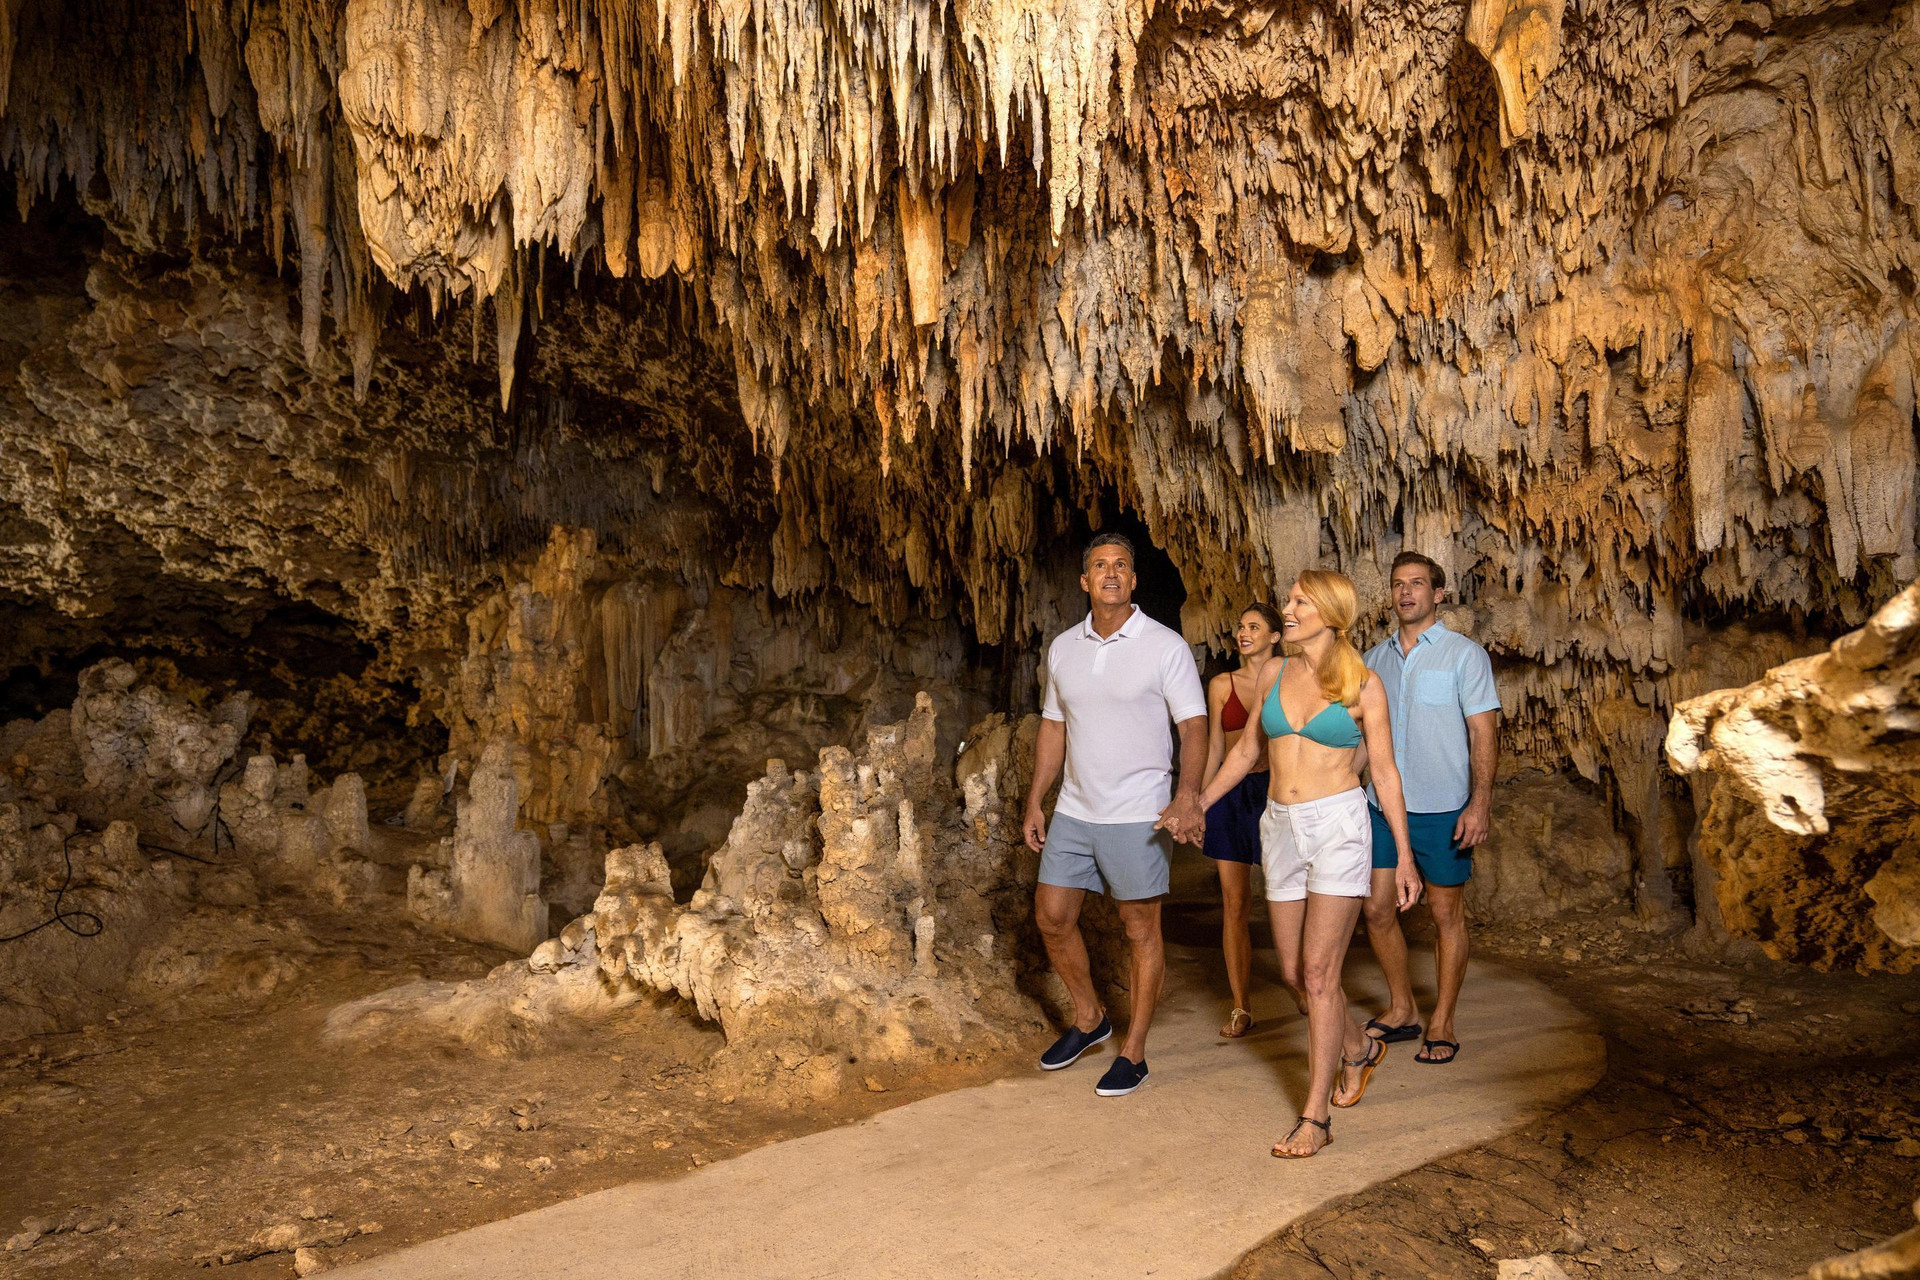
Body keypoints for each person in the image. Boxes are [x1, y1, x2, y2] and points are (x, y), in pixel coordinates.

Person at [1195, 569, 1419, 1159]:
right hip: (1279, 828)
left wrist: (1404, 857)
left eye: (1299, 602)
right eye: (1289, 600)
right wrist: (1198, 803)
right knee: (1295, 973)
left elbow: (1385, 773)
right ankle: (1359, 1048)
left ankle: (1315, 1118)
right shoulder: (1274, 672)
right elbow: (1248, 750)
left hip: (1338, 828)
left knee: (1320, 975)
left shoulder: (1363, 685)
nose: (1288, 609)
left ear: (1330, 613)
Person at [1023, 532, 1208, 1098]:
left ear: (1133, 580)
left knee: (1139, 928)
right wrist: (1037, 798)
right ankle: (1090, 1019)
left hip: (1139, 813)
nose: (1110, 573)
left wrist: (1188, 794)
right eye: (1100, 565)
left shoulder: (1165, 646)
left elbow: (1193, 726)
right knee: (1052, 916)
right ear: (1085, 581)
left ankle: (1134, 1052)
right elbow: (1053, 726)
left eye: (1121, 565)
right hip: (1076, 808)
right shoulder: (1063, 648)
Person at [1359, 551, 1499, 1065]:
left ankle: (1443, 1020)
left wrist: (1479, 803)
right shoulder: (1371, 661)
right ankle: (1403, 1008)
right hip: (1381, 806)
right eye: (1399, 584)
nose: (1406, 592)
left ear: (1438, 594)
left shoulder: (1465, 656)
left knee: (1445, 914)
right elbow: (1359, 740)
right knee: (1376, 909)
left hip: (1443, 807)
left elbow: (1483, 732)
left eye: (1417, 583)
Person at [1199, 603, 1283, 1039]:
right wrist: (1200, 804)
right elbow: (1216, 748)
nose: (1243, 633)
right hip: (1231, 797)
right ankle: (1241, 1005)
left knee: (1287, 898)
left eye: (1254, 627)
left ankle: (1305, 986)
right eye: (1241, 627)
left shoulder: (1290, 677)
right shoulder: (1221, 685)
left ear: (1275, 636)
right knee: (1235, 904)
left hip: (1275, 791)